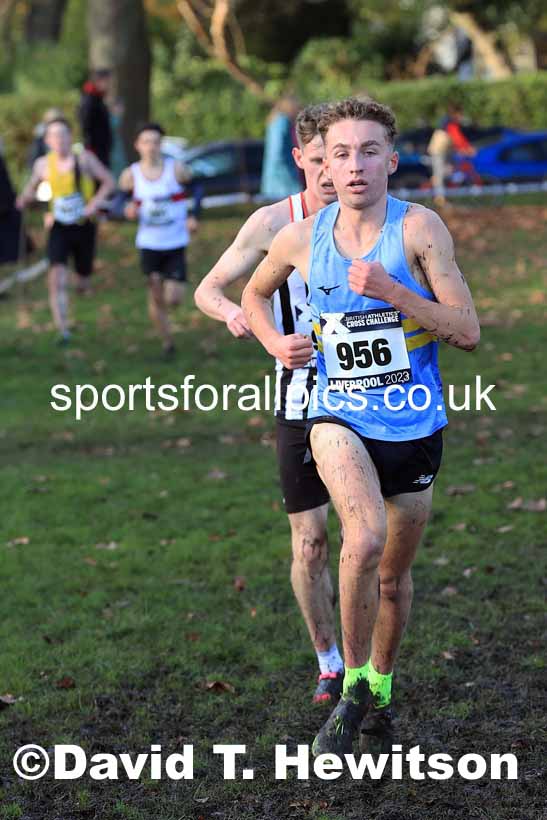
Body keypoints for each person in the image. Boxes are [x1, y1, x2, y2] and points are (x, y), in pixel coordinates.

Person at [242, 97, 480, 756]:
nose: (351, 166)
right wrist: (272, 340)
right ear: (323, 162)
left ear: (391, 160)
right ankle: (349, 687)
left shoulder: (419, 231)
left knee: (392, 580)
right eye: (339, 153)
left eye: (367, 151)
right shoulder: (298, 237)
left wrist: (393, 292)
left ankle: (377, 686)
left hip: (413, 422)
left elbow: (466, 332)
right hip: (334, 414)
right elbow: (253, 293)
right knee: (362, 537)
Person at [194, 104, 345, 704]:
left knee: (377, 537)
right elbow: (209, 288)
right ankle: (329, 660)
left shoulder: (384, 220)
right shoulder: (270, 224)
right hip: (299, 393)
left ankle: (370, 661)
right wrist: (240, 317)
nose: (332, 179)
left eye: (339, 162)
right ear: (299, 160)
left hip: (379, 397)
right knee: (310, 542)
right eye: (318, 165)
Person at [17, 117, 114, 343]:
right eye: (54, 135)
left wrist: (93, 204)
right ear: (48, 140)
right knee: (56, 278)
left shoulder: (85, 159)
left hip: (84, 226)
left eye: (63, 134)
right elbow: (31, 188)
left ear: (71, 136)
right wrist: (24, 198)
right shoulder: (43, 164)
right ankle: (63, 331)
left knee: (83, 281)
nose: (59, 139)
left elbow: (109, 181)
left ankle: (80, 281)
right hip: (58, 227)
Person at [118, 122, 198, 357]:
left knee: (173, 298)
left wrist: (193, 215)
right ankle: (167, 341)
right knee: (155, 293)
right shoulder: (130, 175)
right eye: (146, 142)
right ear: (137, 146)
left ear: (161, 144)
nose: (151, 147)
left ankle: (166, 318)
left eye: (155, 142)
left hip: (174, 242)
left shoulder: (176, 169)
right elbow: (120, 202)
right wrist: (127, 209)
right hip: (149, 243)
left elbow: (198, 189)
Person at [260, 95, 302, 200]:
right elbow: (277, 152)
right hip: (283, 185)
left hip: (274, 184)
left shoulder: (275, 122)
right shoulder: (282, 122)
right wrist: (291, 176)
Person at [78, 69, 113, 168]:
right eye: (107, 82)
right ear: (99, 81)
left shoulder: (97, 98)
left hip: (101, 148)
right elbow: (85, 124)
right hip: (95, 149)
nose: (109, 85)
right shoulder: (90, 100)